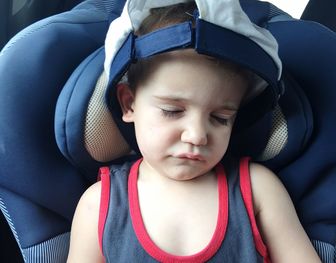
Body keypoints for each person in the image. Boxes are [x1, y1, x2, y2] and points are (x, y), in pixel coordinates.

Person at [67, 1, 321, 262]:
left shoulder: (258, 190)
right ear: (129, 103)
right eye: (173, 111)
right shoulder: (99, 206)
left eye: (220, 118)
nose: (197, 136)